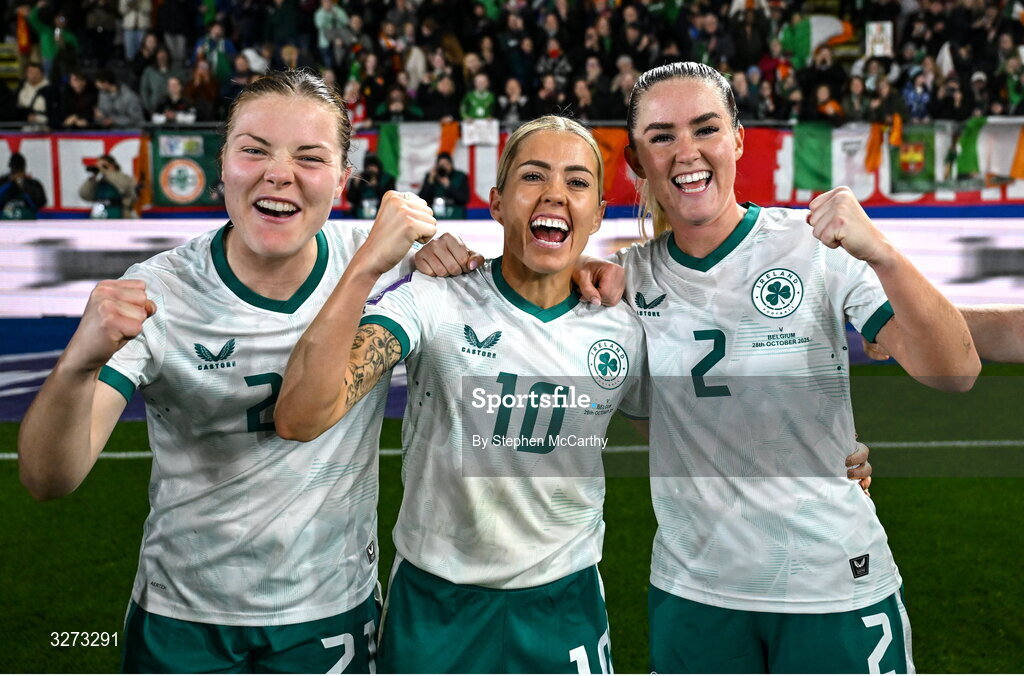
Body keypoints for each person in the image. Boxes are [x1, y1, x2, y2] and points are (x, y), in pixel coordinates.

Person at [17, 70, 467, 672]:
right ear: (223, 164)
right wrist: (77, 362)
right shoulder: (159, 290)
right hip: (183, 619)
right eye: (254, 149)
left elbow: (523, 289)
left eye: (309, 157)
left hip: (331, 610)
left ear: (341, 180)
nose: (278, 173)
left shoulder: (386, 262)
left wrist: (591, 275)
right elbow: (51, 478)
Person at [614, 61, 979, 673]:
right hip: (694, 591)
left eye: (706, 128)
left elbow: (955, 371)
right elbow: (656, 418)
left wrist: (883, 254)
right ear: (635, 158)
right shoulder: (625, 280)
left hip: (833, 582)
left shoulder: (815, 246)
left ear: (737, 138)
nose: (686, 152)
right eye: (662, 136)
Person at [274, 115, 649, 673]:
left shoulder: (623, 324)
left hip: (563, 606)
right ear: (496, 203)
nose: (554, 194)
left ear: (598, 212)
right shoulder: (435, 300)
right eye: (533, 177)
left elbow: (696, 433)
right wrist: (368, 266)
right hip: (435, 607)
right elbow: (300, 414)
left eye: (576, 182)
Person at [418, 151, 470, 219]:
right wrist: (430, 181)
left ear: (451, 165)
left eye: (446, 164)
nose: (444, 167)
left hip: (456, 218)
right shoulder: (431, 177)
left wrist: (448, 186)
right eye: (441, 165)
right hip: (435, 218)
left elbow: (464, 199)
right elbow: (422, 200)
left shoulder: (460, 176)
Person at [345, 153, 395, 219]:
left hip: (381, 215)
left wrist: (376, 187)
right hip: (360, 215)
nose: (371, 169)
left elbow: (390, 199)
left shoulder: (386, 179)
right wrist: (355, 186)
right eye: (369, 167)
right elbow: (351, 199)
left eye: (374, 166)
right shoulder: (361, 178)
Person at [0, 152, 48, 219]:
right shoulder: (3, 183)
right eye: (15, 171)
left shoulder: (33, 184)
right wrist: (9, 184)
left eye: (19, 171)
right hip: (6, 224)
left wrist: (23, 185)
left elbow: (40, 203)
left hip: (28, 223)